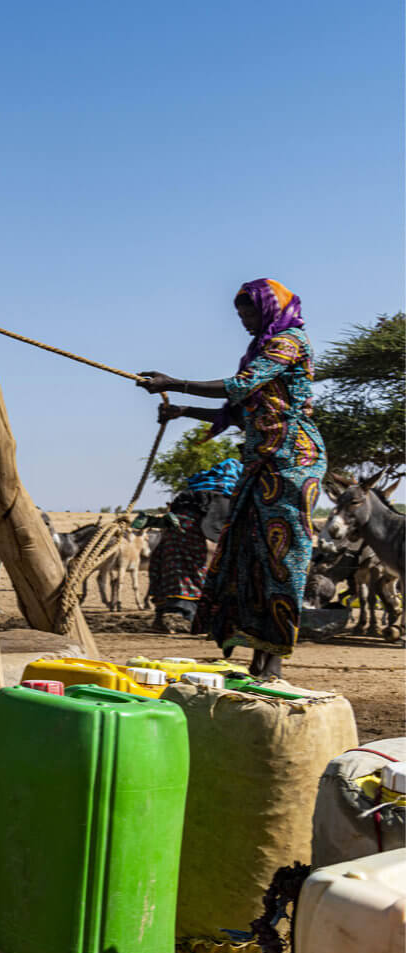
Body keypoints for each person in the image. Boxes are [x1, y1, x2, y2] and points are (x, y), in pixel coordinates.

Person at [138, 278, 327, 678]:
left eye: (250, 313)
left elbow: (240, 389)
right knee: (247, 556)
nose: (244, 321)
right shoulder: (260, 350)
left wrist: (173, 383)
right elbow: (243, 413)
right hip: (261, 465)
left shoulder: (289, 342)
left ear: (270, 309)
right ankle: (257, 657)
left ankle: (273, 663)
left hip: (291, 464)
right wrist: (183, 410)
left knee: (281, 559)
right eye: (240, 315)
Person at [139, 458, 242, 633]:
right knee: (193, 572)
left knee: (167, 569)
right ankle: (185, 618)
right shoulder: (226, 492)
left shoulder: (197, 488)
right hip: (193, 536)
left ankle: (164, 618)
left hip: (173, 534)